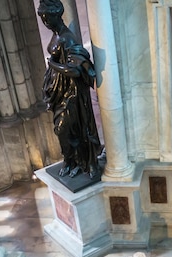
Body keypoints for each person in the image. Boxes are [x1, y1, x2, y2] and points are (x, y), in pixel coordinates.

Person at [38, 0, 102, 179]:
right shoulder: (56, 34)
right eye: (43, 19)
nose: (45, 23)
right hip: (59, 91)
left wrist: (53, 64)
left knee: (67, 128)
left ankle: (83, 161)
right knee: (64, 130)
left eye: (47, 19)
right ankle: (70, 161)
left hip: (71, 93)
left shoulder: (68, 37)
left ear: (56, 16)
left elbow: (75, 69)